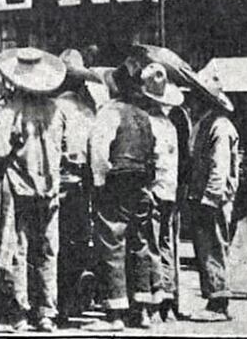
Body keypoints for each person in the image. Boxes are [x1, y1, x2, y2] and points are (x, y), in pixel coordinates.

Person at [0, 48, 67, 332]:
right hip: (50, 188)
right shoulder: (56, 109)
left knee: (17, 249)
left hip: (19, 186)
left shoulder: (12, 109)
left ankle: (19, 311)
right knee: (47, 251)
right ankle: (47, 312)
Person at [84, 58, 160, 332]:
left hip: (116, 182)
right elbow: (154, 153)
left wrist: (99, 183)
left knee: (112, 243)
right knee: (139, 243)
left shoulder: (109, 112)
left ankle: (115, 311)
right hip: (140, 183)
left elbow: (99, 152)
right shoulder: (143, 116)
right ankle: (142, 310)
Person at [184, 73, 239, 322]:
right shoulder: (206, 123)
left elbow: (220, 167)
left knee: (214, 246)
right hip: (202, 195)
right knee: (206, 247)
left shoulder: (220, 126)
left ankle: (219, 300)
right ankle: (214, 296)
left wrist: (211, 197)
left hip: (213, 198)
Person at [52, 49, 100, 323]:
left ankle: (60, 301)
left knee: (58, 241)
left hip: (63, 179)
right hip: (85, 181)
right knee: (80, 240)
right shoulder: (88, 107)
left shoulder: (58, 106)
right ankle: (76, 299)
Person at [139, 63, 186, 324]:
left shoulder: (147, 121)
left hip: (153, 188)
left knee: (150, 245)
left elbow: (147, 159)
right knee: (167, 244)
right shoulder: (169, 124)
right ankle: (168, 296)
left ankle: (153, 301)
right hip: (170, 189)